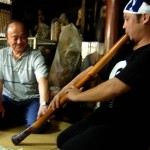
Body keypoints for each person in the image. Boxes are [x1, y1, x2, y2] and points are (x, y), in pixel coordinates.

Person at [49, 0, 150, 149]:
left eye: (127, 19)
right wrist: (63, 92)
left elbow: (115, 86)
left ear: (144, 18)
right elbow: (91, 71)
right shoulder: (126, 48)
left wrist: (78, 96)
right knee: (63, 139)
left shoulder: (147, 55)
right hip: (104, 116)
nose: (123, 26)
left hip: (125, 125)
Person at [0, 19, 50, 133]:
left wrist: (43, 104)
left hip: (31, 99)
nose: (19, 41)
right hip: (9, 99)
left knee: (38, 126)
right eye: (15, 37)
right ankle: (22, 116)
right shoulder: (1, 55)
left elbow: (43, 80)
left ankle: (24, 116)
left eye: (23, 37)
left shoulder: (36, 55)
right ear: (7, 39)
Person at [48, 12, 83, 123]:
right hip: (66, 68)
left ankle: (61, 112)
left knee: (60, 88)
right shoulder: (69, 30)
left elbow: (67, 56)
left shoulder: (69, 31)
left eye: (58, 25)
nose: (57, 28)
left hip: (65, 69)